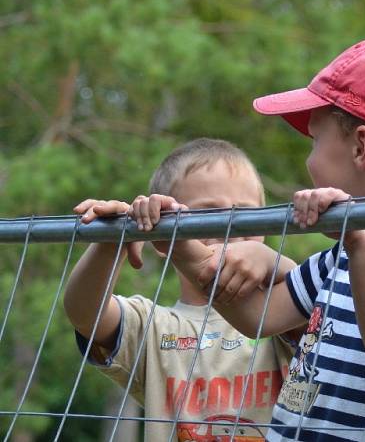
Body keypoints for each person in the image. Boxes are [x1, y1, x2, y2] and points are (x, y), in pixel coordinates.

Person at [157, 37, 365, 441]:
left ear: (360, 146)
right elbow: (259, 316)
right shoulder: (340, 253)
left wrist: (357, 243)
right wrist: (179, 244)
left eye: (315, 141)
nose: (309, 160)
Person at [63, 138, 296, 440]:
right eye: (209, 213)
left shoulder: (284, 312)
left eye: (246, 214)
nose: (229, 227)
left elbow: (325, 310)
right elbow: (84, 314)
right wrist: (112, 240)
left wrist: (273, 262)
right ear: (163, 237)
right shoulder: (153, 327)